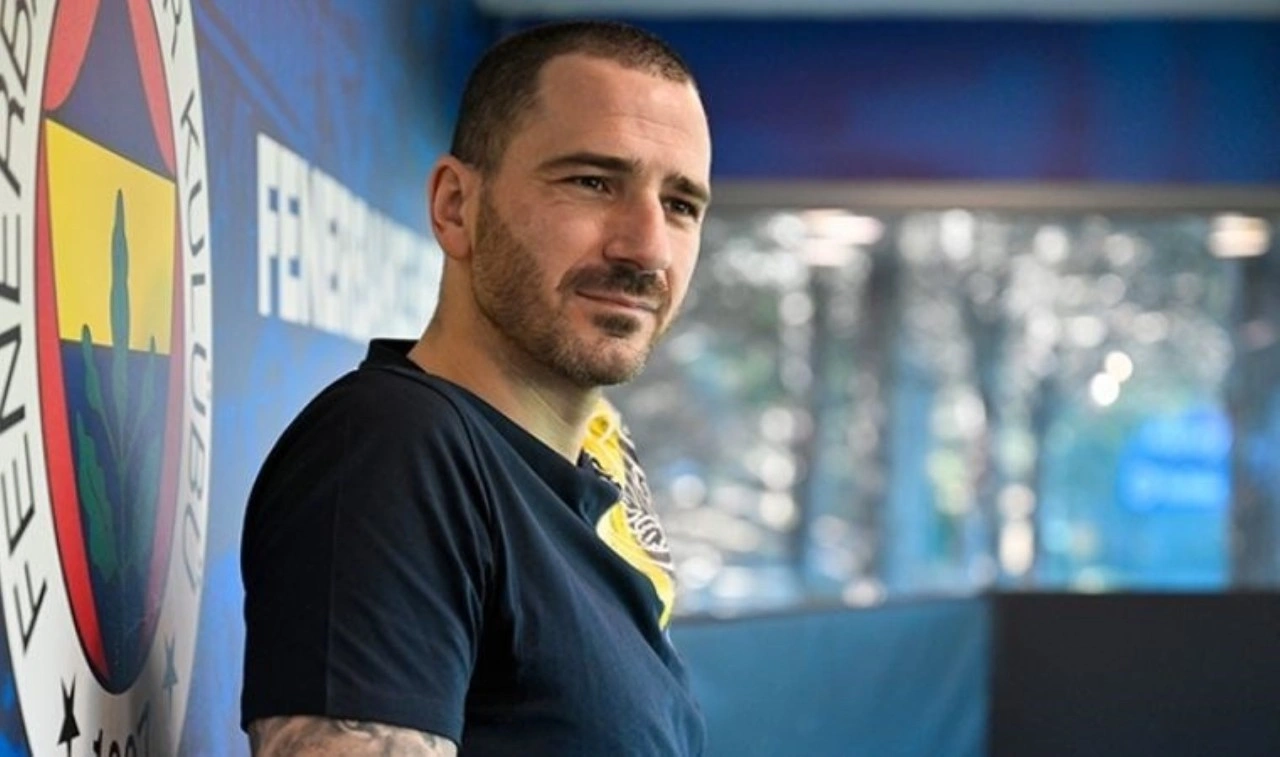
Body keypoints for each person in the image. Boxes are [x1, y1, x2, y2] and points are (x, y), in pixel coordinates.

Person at [240, 19, 712, 757]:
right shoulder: (396, 447)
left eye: (680, 204)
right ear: (455, 206)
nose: (647, 247)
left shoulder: (592, 468)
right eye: (592, 182)